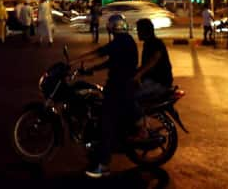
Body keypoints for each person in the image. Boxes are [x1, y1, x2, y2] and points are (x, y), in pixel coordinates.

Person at [73, 14, 139, 179]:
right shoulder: (125, 41)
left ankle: (103, 165)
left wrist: (76, 61)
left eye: (110, 26)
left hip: (120, 87)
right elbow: (111, 61)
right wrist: (91, 69)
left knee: (106, 123)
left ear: (113, 27)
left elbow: (101, 52)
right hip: (118, 85)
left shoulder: (120, 42)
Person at [134, 18, 173, 99]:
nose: (137, 33)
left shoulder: (156, 43)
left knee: (132, 97)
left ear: (144, 31)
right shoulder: (147, 43)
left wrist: (139, 74)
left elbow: (153, 60)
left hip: (159, 82)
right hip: (151, 80)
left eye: (138, 30)